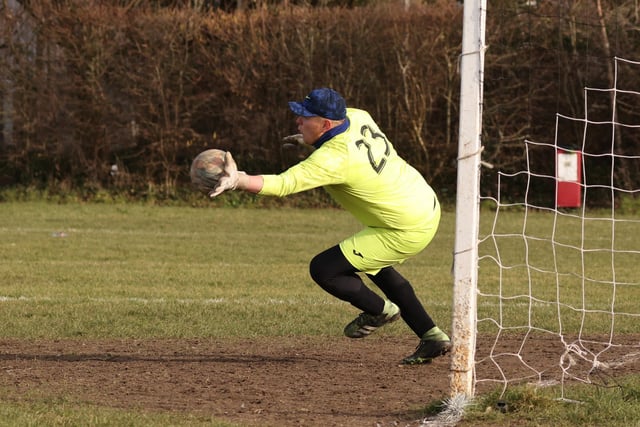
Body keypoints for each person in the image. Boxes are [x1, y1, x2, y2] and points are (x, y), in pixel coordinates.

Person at [210, 87, 451, 365]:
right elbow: (339, 140)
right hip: (422, 202)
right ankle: (432, 336)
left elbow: (284, 184)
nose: (297, 121)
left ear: (325, 124)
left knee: (326, 269)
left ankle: (381, 311)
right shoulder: (357, 116)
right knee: (376, 267)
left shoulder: (333, 159)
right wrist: (310, 139)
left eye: (304, 117)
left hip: (405, 229)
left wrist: (238, 179)